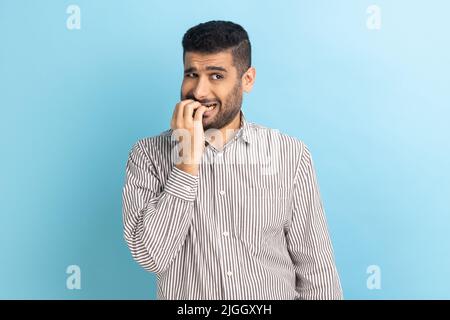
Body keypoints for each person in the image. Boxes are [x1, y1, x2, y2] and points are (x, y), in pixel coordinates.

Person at [122, 20, 343, 299]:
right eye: (191, 74)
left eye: (216, 76)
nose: (199, 91)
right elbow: (151, 256)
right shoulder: (147, 155)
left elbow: (316, 271)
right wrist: (186, 161)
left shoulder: (289, 154)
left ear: (246, 80)